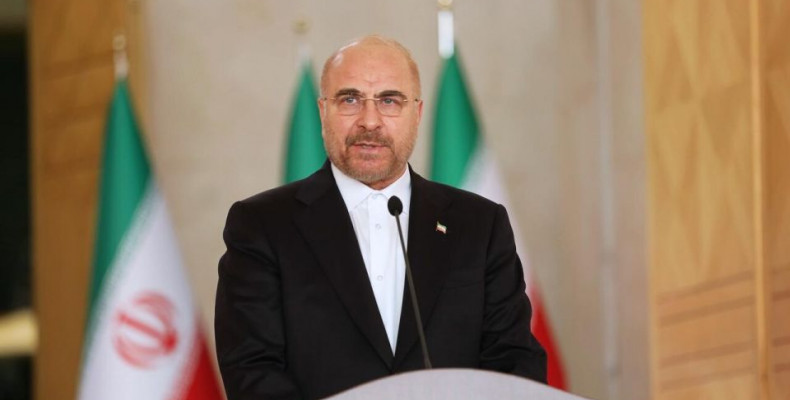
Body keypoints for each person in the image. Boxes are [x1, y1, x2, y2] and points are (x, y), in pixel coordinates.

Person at [215, 35, 546, 400]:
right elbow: (252, 370)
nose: (369, 121)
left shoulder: (480, 224)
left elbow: (513, 362)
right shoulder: (261, 225)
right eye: (350, 99)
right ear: (323, 112)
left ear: (417, 114)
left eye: (389, 100)